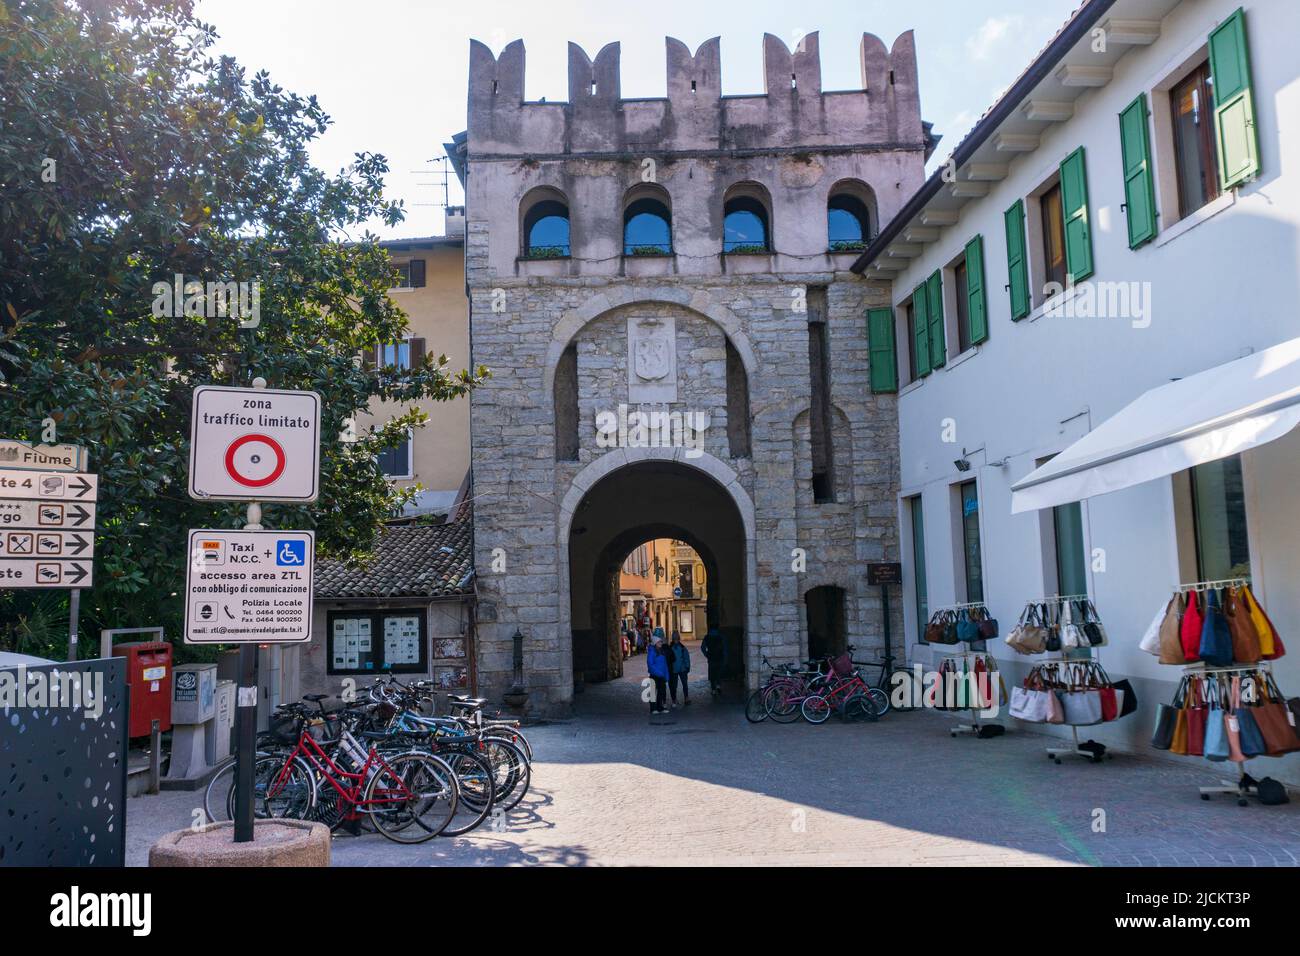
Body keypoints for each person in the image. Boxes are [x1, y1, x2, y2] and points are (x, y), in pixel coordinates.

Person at [646, 636, 670, 714]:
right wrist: (658, 672)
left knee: (661, 691)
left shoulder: (662, 651)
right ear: (655, 643)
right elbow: (650, 664)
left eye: (661, 642)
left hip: (661, 675)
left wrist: (666, 674)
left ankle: (660, 707)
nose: (661, 643)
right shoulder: (652, 652)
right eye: (659, 642)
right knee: (653, 692)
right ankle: (653, 708)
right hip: (654, 675)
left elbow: (665, 664)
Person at [669, 630, 690, 706]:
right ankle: (676, 699)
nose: (676, 640)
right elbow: (686, 658)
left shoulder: (680, 648)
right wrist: (687, 666)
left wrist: (687, 666)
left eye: (677, 638)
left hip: (680, 669)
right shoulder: (681, 647)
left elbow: (686, 657)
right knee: (675, 685)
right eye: (675, 638)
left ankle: (684, 698)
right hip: (678, 669)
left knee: (683, 684)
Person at [700, 628, 724, 696]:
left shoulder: (707, 637)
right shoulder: (720, 636)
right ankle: (718, 686)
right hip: (719, 657)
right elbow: (724, 647)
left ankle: (713, 689)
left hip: (711, 658)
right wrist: (724, 656)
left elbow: (702, 647)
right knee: (718, 672)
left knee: (712, 673)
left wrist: (706, 654)